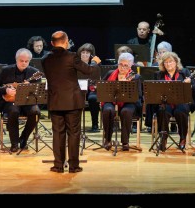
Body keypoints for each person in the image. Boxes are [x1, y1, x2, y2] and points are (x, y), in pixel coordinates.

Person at [42, 31, 100, 173]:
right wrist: (94, 62)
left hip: (55, 101)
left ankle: (58, 165)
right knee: (74, 134)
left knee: (58, 134)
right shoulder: (72, 57)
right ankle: (74, 167)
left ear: (51, 43)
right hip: (73, 102)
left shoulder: (45, 59)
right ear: (66, 42)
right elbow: (89, 70)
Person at [0, 48, 42, 152]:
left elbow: (38, 91)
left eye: (26, 61)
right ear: (16, 59)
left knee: (36, 112)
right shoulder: (6, 70)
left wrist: (30, 87)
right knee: (13, 111)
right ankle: (14, 143)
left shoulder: (34, 73)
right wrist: (6, 90)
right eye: (21, 61)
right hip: (10, 101)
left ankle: (24, 138)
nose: (24, 63)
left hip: (27, 101)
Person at [100, 52, 142, 151]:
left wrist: (126, 85)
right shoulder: (111, 73)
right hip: (111, 100)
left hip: (129, 102)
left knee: (126, 112)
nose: (122, 67)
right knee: (108, 110)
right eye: (120, 64)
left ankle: (125, 141)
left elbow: (139, 95)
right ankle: (108, 139)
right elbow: (102, 88)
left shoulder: (135, 77)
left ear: (131, 65)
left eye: (126, 65)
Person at [152, 51, 195, 151]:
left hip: (181, 101)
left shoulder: (184, 73)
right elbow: (154, 91)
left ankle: (183, 138)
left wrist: (189, 85)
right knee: (163, 110)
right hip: (166, 102)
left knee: (181, 111)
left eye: (170, 62)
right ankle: (163, 138)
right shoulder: (158, 74)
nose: (168, 64)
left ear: (176, 62)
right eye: (165, 62)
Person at [77, 43, 100, 132]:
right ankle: (75, 124)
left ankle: (95, 124)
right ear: (80, 53)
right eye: (83, 52)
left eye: (87, 53)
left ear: (91, 55)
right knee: (75, 98)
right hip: (78, 88)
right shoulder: (75, 63)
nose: (85, 55)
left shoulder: (95, 64)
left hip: (91, 88)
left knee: (93, 98)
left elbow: (97, 79)